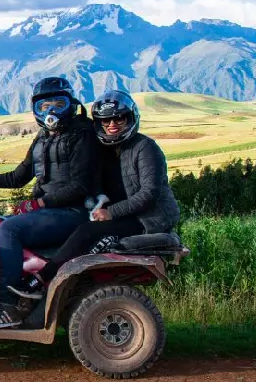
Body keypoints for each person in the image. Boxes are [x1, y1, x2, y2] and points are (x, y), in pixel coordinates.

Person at [0, 76, 101, 329]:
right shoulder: (43, 139)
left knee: (8, 229)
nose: (51, 111)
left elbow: (81, 186)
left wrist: (39, 204)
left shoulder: (82, 135)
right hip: (52, 211)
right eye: (44, 106)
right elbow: (18, 177)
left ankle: (8, 306)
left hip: (72, 212)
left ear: (72, 104)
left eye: (59, 103)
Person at [13, 89, 181, 299]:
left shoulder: (145, 147)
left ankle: (40, 280)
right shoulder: (103, 150)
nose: (112, 124)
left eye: (119, 118)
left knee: (86, 232)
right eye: (105, 120)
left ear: (130, 118)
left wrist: (111, 212)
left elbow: (150, 193)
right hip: (121, 215)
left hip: (147, 220)